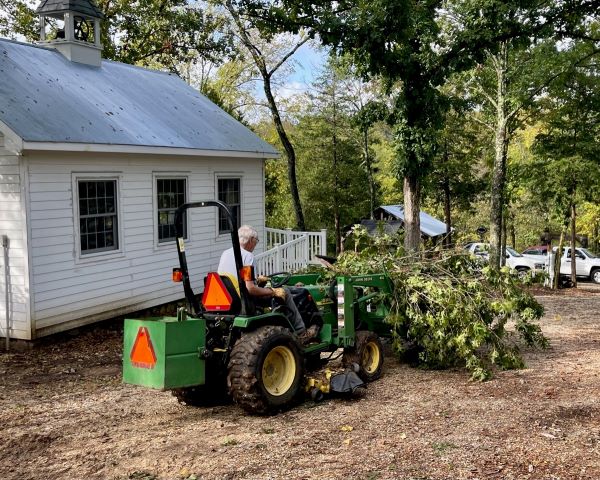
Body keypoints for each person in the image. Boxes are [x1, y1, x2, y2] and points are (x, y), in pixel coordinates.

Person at [217, 224, 311, 336]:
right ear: (251, 240)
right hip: (244, 301)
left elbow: (238, 278)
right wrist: (272, 291)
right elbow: (250, 289)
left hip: (230, 298)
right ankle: (301, 330)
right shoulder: (247, 256)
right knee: (285, 292)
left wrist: (257, 281)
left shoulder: (226, 254)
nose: (255, 245)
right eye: (256, 241)